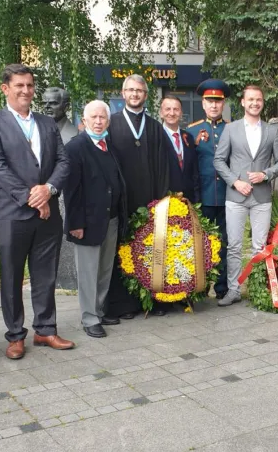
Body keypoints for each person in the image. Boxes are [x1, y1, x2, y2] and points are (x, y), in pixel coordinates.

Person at [0, 63, 74, 360]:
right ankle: (15, 335)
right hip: (11, 215)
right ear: (5, 88)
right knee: (11, 277)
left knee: (45, 275)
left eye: (29, 85)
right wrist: (32, 197)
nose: (26, 91)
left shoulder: (47, 123)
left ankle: (45, 329)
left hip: (47, 215)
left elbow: (63, 162)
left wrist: (49, 190)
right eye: (19, 85)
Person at [105, 74, 175, 318]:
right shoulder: (110, 125)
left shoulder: (155, 127)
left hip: (149, 202)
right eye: (130, 90)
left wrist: (160, 203)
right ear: (122, 94)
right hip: (121, 202)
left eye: (139, 91)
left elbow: (164, 167)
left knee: (149, 251)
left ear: (146, 95)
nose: (135, 94)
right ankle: (121, 305)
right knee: (120, 251)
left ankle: (150, 301)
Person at [213, 85, 278, 307]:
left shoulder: (272, 131)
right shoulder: (231, 129)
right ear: (243, 102)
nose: (255, 103)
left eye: (259, 99)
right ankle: (234, 290)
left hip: (262, 197)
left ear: (262, 103)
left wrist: (266, 174)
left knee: (259, 247)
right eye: (251, 99)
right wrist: (235, 181)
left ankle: (256, 290)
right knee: (234, 246)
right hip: (235, 196)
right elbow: (218, 160)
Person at [63, 100, 127, 338]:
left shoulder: (107, 145)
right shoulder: (76, 148)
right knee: (88, 273)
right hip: (87, 222)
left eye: (103, 118)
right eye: (94, 118)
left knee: (104, 269)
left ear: (108, 121)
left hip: (110, 219)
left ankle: (99, 310)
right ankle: (89, 318)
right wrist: (75, 224)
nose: (99, 122)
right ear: (85, 120)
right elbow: (72, 191)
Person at [187, 79, 230, 299]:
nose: (213, 105)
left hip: (226, 197)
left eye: (218, 101)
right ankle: (201, 286)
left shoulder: (232, 130)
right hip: (201, 197)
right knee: (200, 243)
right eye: (209, 101)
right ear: (203, 104)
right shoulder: (191, 131)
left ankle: (222, 287)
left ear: (223, 104)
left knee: (224, 243)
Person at [161, 96, 200, 204]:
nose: (172, 113)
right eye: (168, 109)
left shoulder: (188, 137)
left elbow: (194, 171)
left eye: (176, 109)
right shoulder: (156, 137)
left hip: (188, 199)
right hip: (164, 200)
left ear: (181, 113)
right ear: (161, 113)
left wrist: (196, 199)